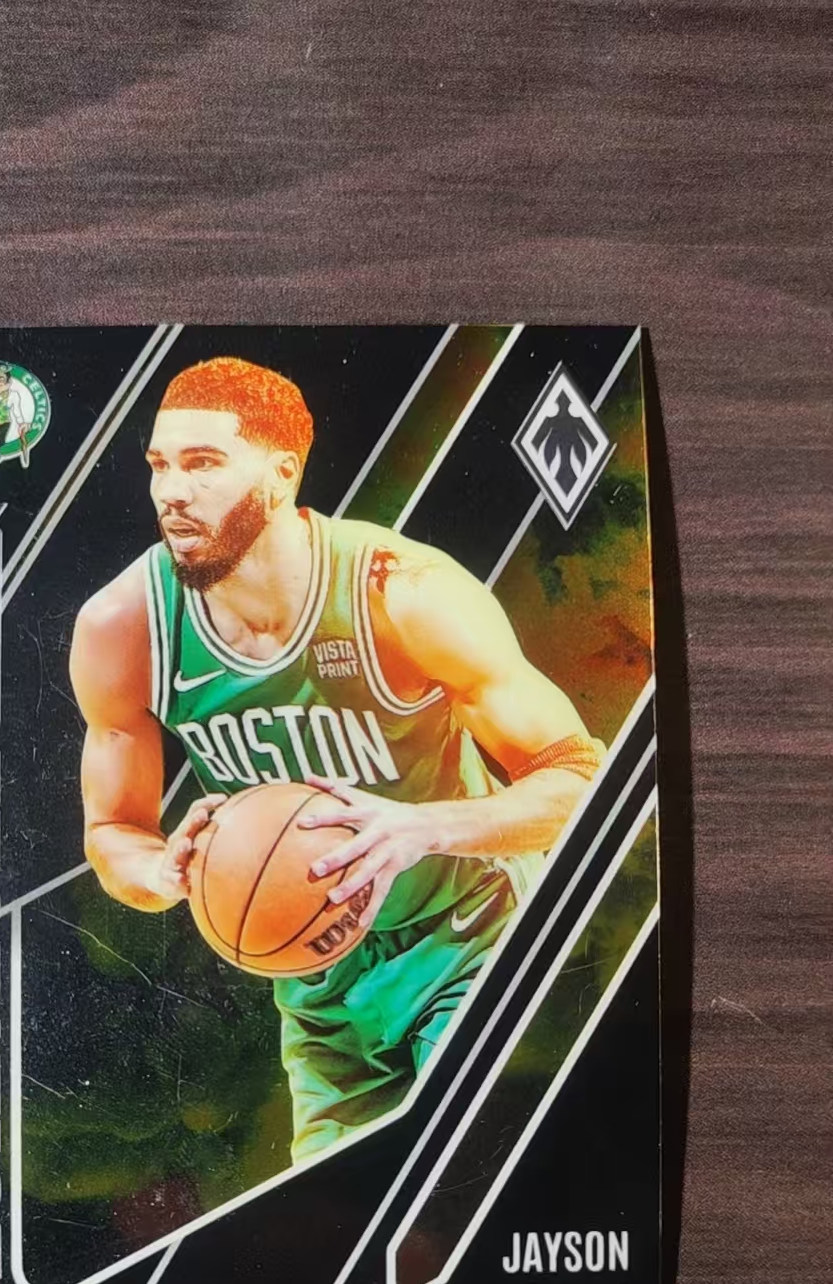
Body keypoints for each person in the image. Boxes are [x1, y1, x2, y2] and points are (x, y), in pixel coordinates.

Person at [70, 357, 603, 1161]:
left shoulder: (404, 595)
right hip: (319, 996)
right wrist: (162, 871)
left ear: (281, 473)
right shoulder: (122, 626)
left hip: (468, 936)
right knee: (338, 1219)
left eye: (203, 463)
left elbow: (580, 781)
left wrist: (421, 829)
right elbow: (113, 830)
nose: (172, 491)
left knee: (466, 1171)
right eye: (160, 465)